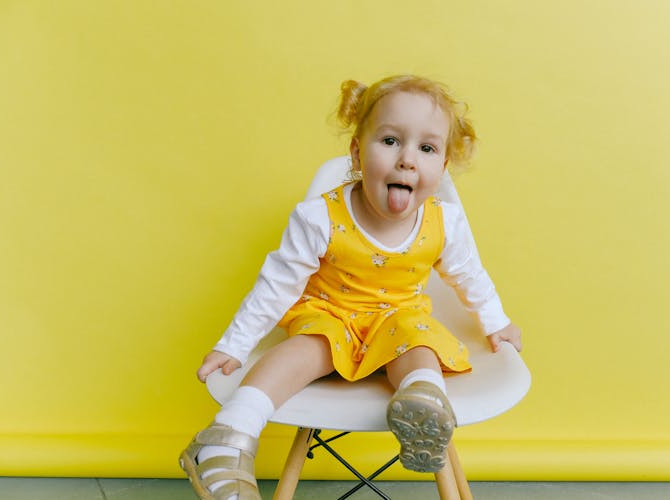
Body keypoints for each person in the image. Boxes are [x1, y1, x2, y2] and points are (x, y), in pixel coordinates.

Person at [180, 74, 522, 500]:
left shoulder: (444, 221)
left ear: (443, 167)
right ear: (357, 153)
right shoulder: (320, 217)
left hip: (398, 321)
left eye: (427, 148)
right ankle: (229, 435)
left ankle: (422, 407)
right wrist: (234, 345)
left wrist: (496, 321)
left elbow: (470, 275)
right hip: (331, 316)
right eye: (391, 141)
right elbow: (276, 284)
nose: (408, 161)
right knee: (303, 350)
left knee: (420, 344)